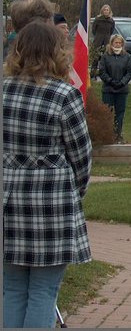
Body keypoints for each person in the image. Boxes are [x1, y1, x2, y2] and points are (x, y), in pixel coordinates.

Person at [3, 21, 92, 328]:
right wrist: (75, 192)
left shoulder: (3, 92)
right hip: (51, 202)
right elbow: (81, 155)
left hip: (8, 199)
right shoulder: (64, 94)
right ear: (57, 51)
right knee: (43, 290)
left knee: (12, 289)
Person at [98, 34, 131, 143]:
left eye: (119, 43)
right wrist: (111, 81)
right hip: (108, 89)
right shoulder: (105, 56)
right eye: (115, 42)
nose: (117, 45)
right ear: (111, 43)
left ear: (122, 44)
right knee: (107, 113)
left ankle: (118, 135)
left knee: (120, 113)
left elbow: (130, 72)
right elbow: (102, 72)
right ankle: (107, 135)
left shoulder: (127, 57)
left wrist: (122, 82)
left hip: (122, 90)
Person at [91, 4, 115, 77]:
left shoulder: (111, 21)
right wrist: (98, 36)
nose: (106, 11)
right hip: (98, 40)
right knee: (95, 58)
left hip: (107, 41)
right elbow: (93, 30)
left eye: (107, 10)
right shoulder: (98, 19)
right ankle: (93, 74)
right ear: (102, 11)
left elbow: (112, 31)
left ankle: (104, 74)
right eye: (104, 10)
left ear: (109, 11)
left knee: (105, 58)